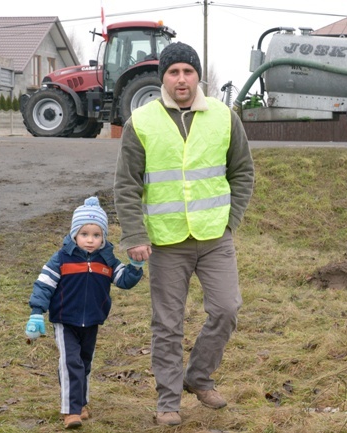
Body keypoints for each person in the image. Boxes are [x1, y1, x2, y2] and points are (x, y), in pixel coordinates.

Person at [114, 41, 254, 426]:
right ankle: (168, 400)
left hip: (214, 237)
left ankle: (199, 376)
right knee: (168, 324)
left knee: (227, 309)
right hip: (165, 241)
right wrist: (134, 234)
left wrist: (230, 221)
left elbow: (243, 172)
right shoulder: (141, 122)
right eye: (173, 72)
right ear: (163, 77)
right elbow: (127, 185)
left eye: (187, 71)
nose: (181, 79)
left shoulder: (225, 118)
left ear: (198, 76)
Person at [25, 196, 144, 429]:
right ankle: (70, 410)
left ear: (104, 237)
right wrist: (36, 312)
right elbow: (44, 285)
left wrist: (135, 266)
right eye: (85, 234)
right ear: (74, 235)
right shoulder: (61, 259)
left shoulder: (106, 260)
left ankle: (81, 403)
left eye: (97, 235)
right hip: (65, 320)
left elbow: (123, 280)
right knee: (71, 363)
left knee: (84, 362)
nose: (90, 240)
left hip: (91, 320)